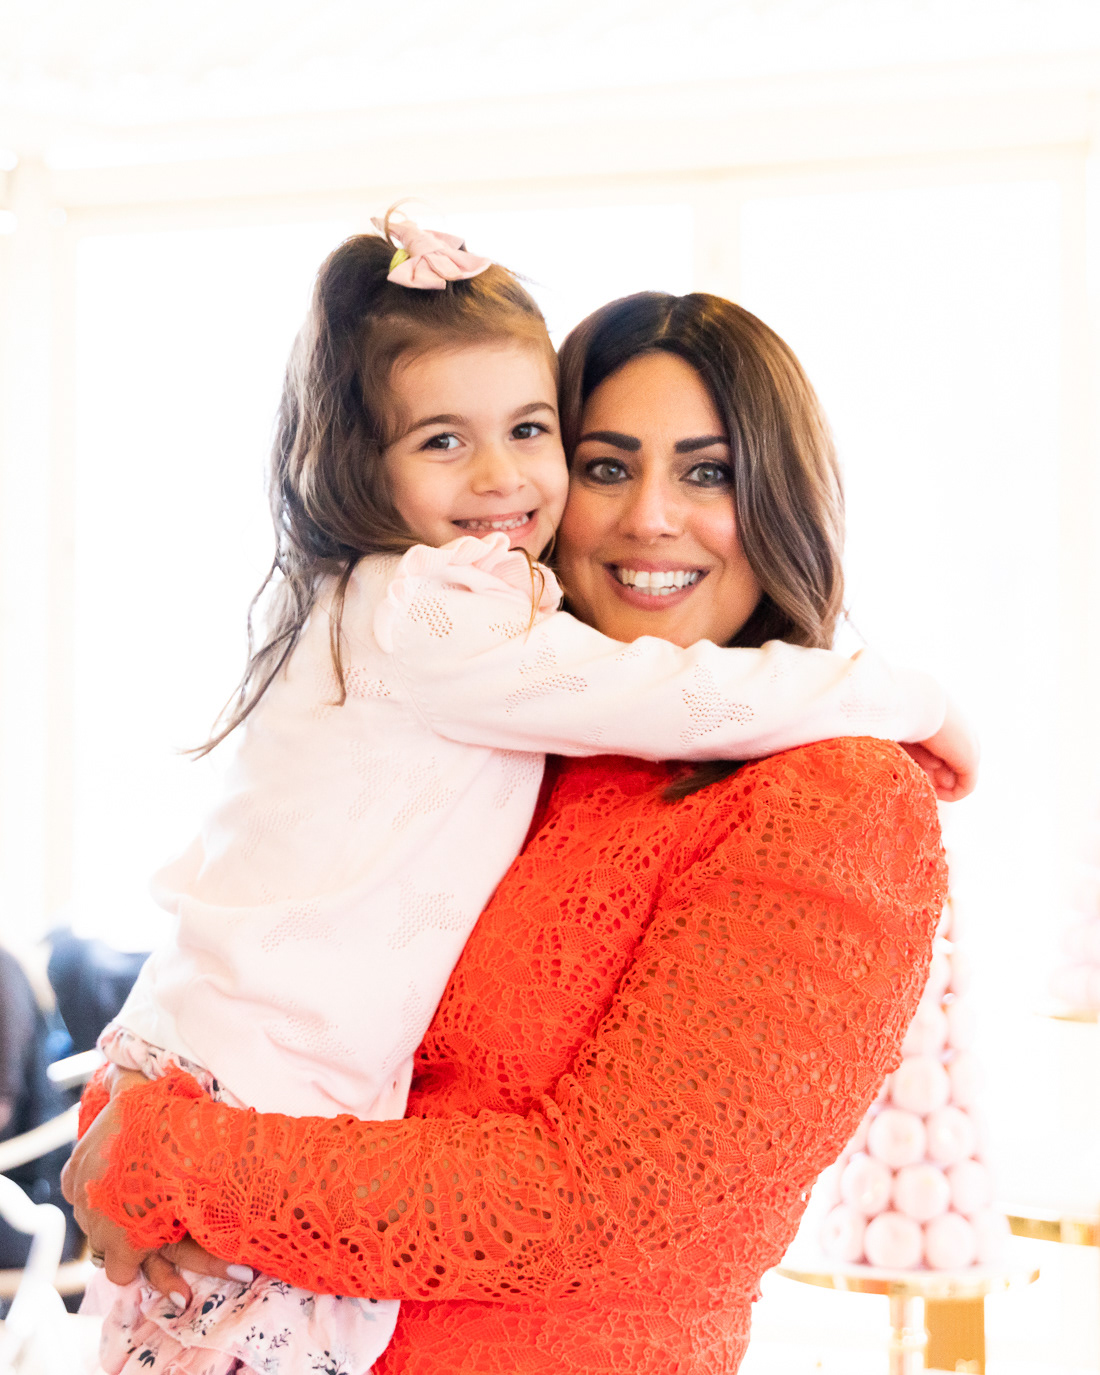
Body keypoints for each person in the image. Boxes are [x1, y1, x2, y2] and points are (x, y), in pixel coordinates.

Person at [65, 275, 957, 1375]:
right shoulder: (505, 736)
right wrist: (134, 1103)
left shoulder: (835, 798)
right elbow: (275, 933)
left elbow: (594, 1210)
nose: (649, 517)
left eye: (708, 471)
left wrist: (176, 1159)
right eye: (606, 465)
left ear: (781, 498)